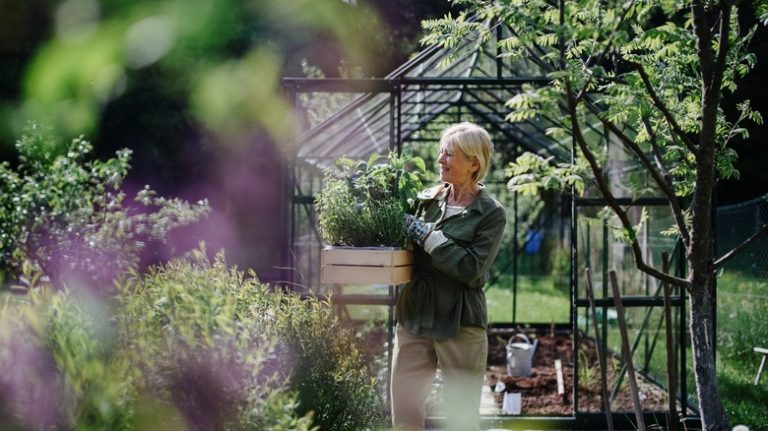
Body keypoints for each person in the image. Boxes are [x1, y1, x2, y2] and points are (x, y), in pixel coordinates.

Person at [391, 122, 507, 431]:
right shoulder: (426, 200)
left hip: (460, 321)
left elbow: (470, 268)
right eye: (441, 152)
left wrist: (428, 237)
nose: (440, 159)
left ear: (474, 164)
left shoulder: (490, 213)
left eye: (450, 154)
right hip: (415, 314)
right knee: (404, 409)